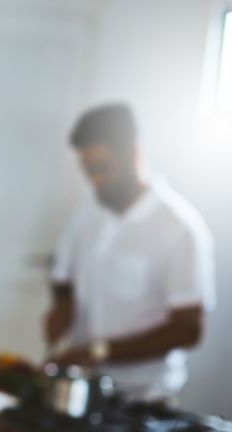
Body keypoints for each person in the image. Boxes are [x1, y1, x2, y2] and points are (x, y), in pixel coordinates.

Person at [45, 103, 215, 403]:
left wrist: (99, 351)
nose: (94, 180)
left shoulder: (179, 229)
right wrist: (61, 309)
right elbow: (63, 278)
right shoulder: (88, 209)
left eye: (102, 169)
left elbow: (188, 328)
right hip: (83, 389)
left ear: (133, 153)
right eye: (87, 170)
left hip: (141, 398)